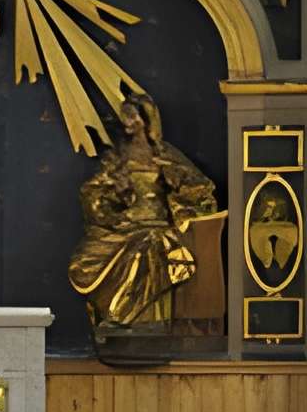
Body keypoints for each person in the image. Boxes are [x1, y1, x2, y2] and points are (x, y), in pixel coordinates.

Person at [68, 93, 217, 331]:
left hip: (155, 227)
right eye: (124, 116)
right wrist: (116, 194)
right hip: (122, 225)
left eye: (132, 116)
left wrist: (179, 201)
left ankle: (126, 319)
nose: (127, 121)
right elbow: (92, 193)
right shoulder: (116, 158)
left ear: (147, 120)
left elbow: (197, 187)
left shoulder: (164, 156)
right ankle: (113, 317)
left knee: (142, 251)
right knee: (87, 257)